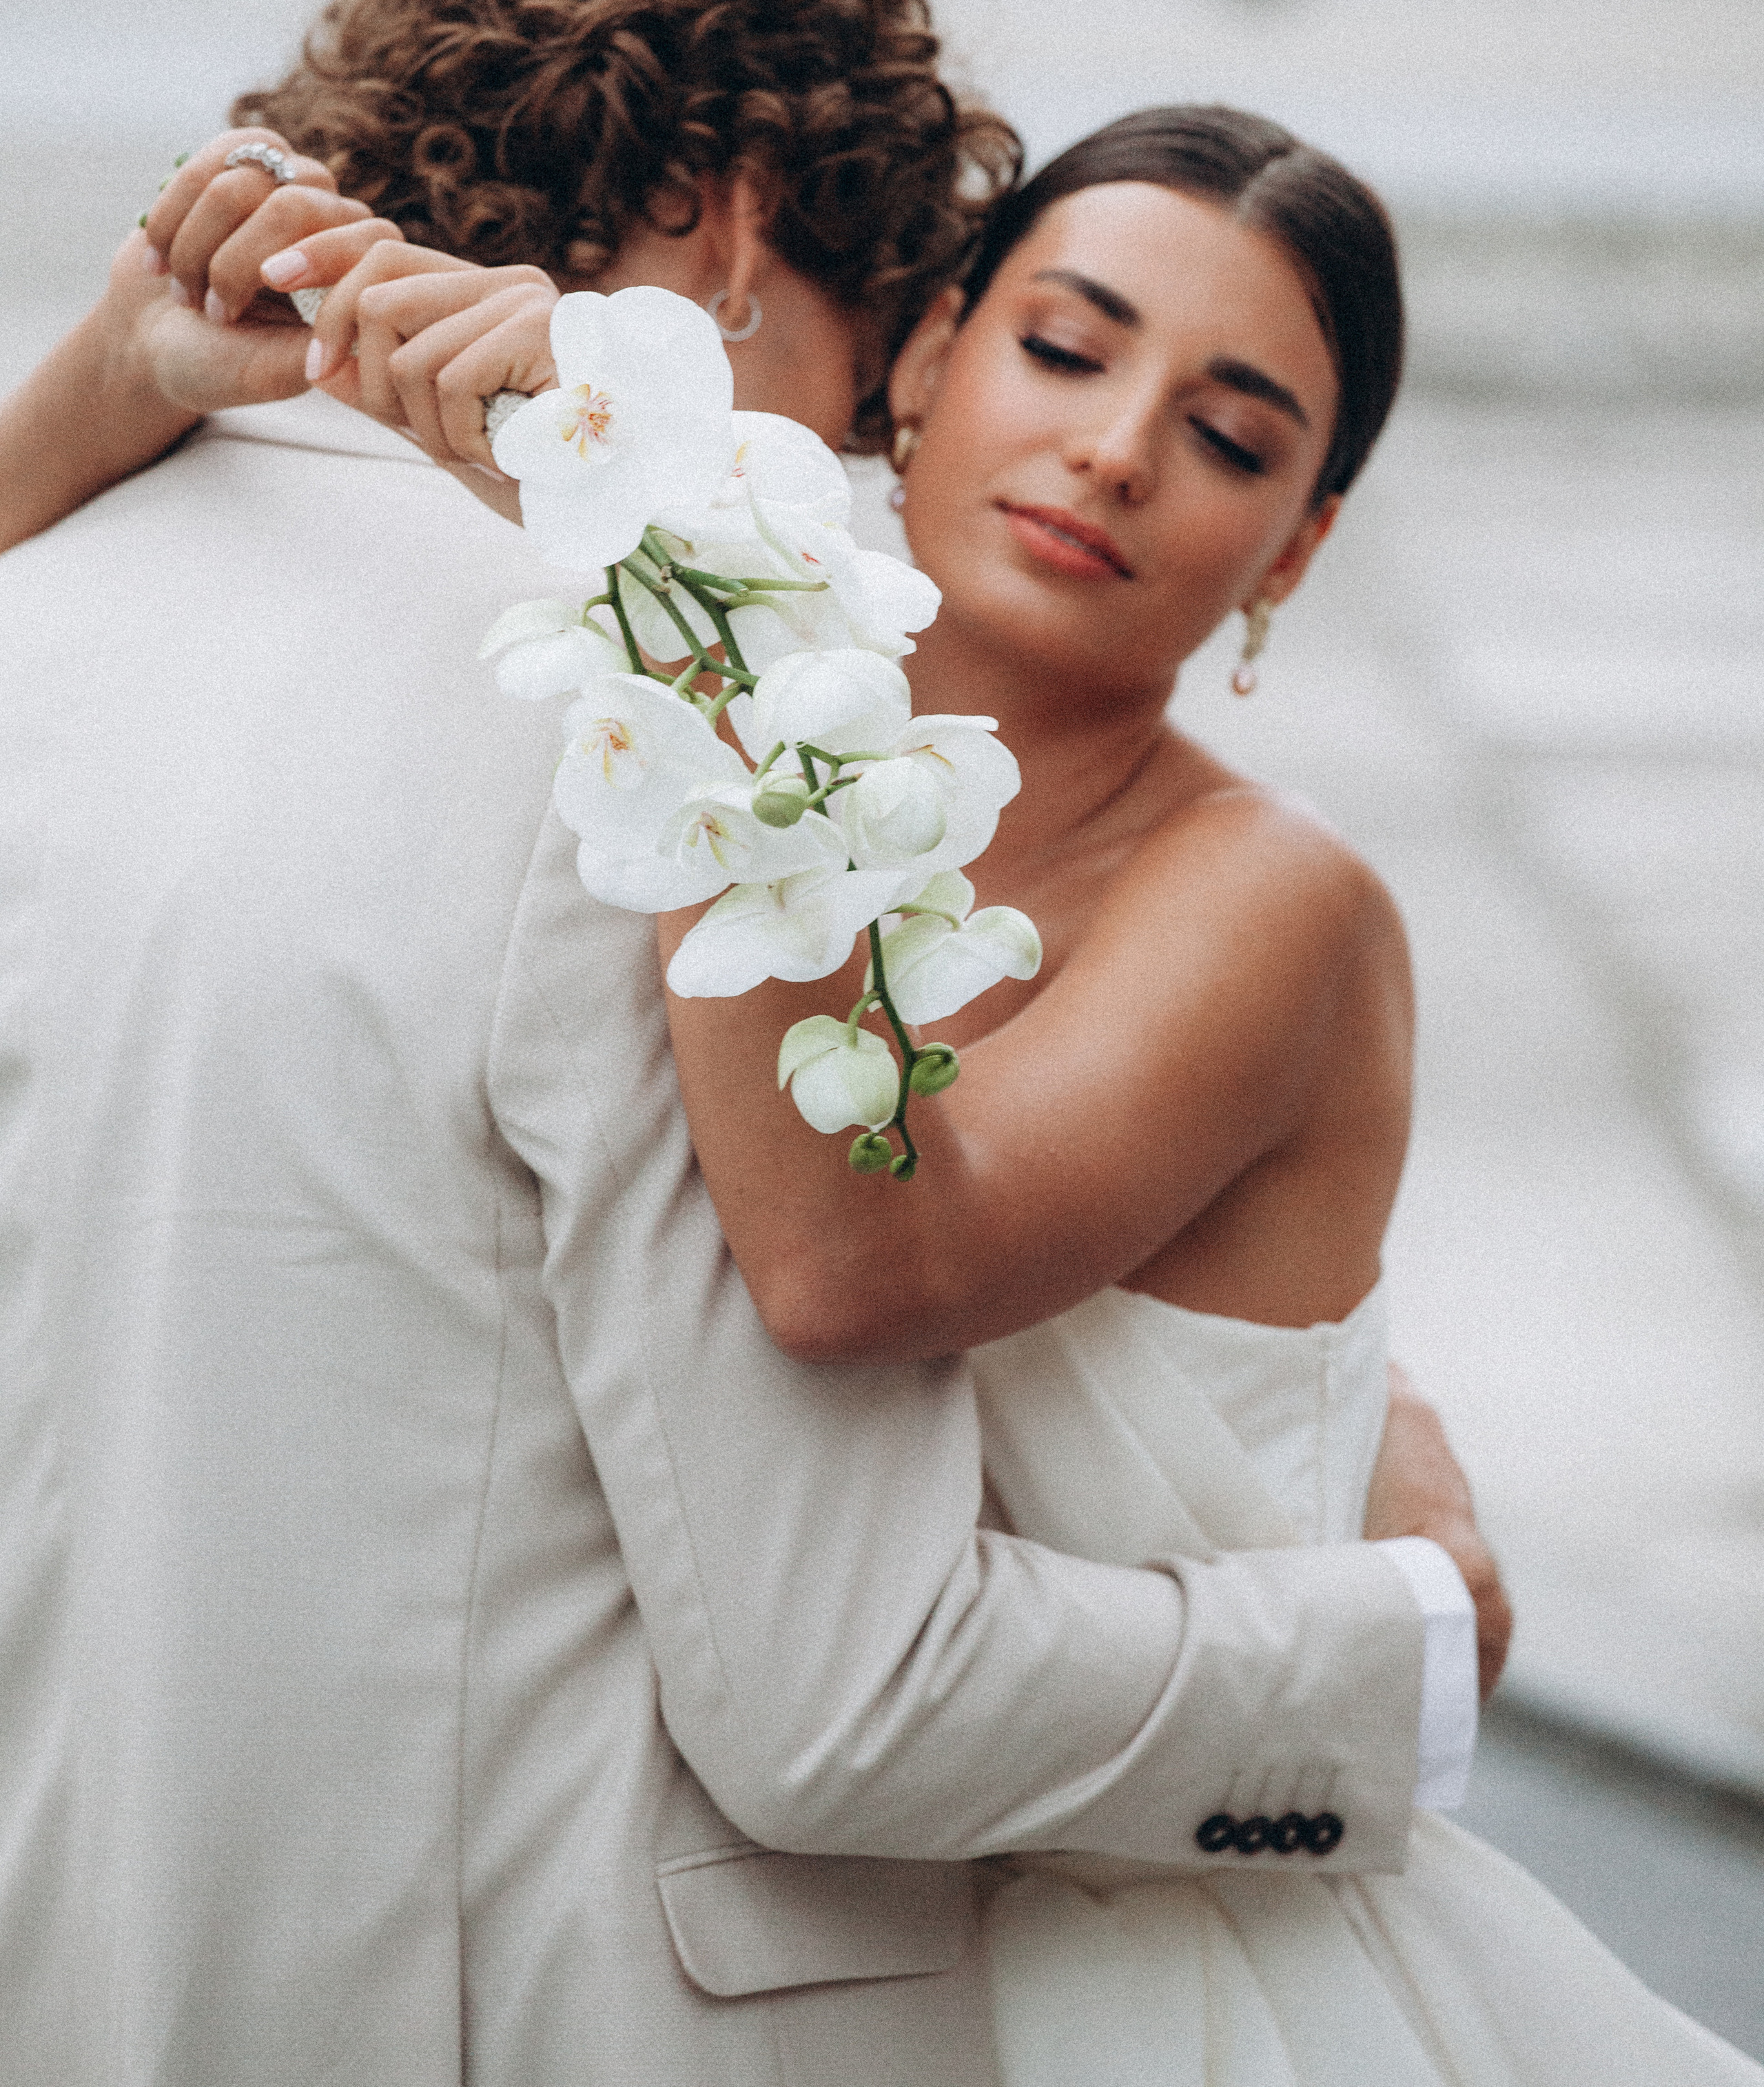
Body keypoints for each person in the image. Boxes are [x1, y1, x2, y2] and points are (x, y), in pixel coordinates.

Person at [0, 0, 1490, 2087]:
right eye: (924, 325)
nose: (888, 438)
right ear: (730, 232)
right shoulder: (673, 724)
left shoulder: (55, 603)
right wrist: (1401, 1647)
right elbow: (846, 1685)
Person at [287, 101, 1764, 2084]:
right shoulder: (733, 756)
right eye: (1069, 348)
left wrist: (665, 563)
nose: (1119, 446)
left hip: (1167, 1994)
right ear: (928, 355)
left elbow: (859, 1266)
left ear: (1296, 550)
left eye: (1234, 436)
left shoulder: (1272, 902)